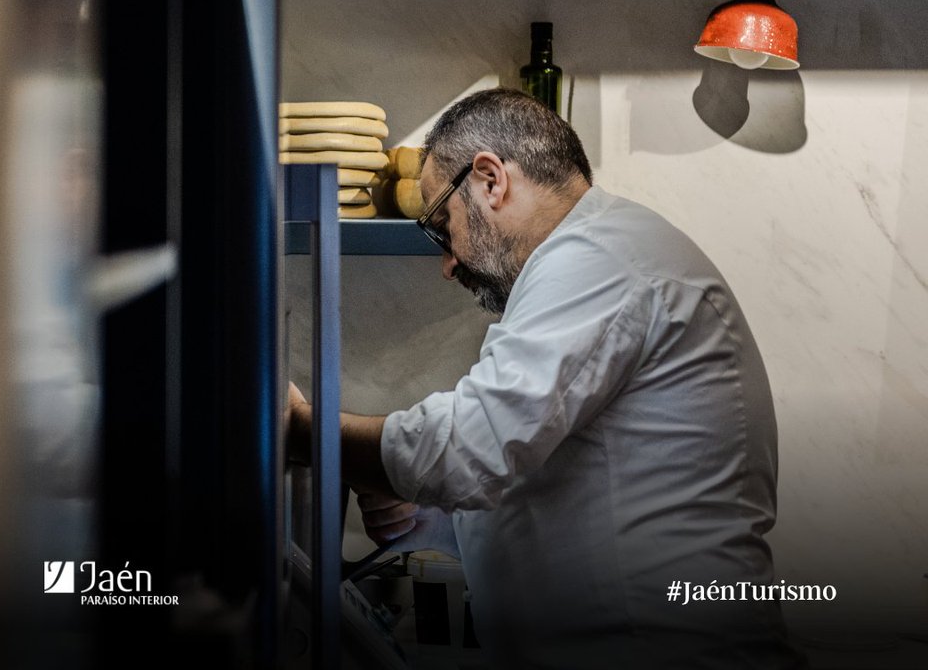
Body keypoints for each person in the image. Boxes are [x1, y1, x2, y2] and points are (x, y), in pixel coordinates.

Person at [288, 88, 804, 669]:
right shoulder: (595, 256)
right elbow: (552, 481)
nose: (448, 262)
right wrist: (422, 509)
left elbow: (467, 449)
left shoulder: (600, 259)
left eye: (441, 225)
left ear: (489, 180)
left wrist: (301, 430)